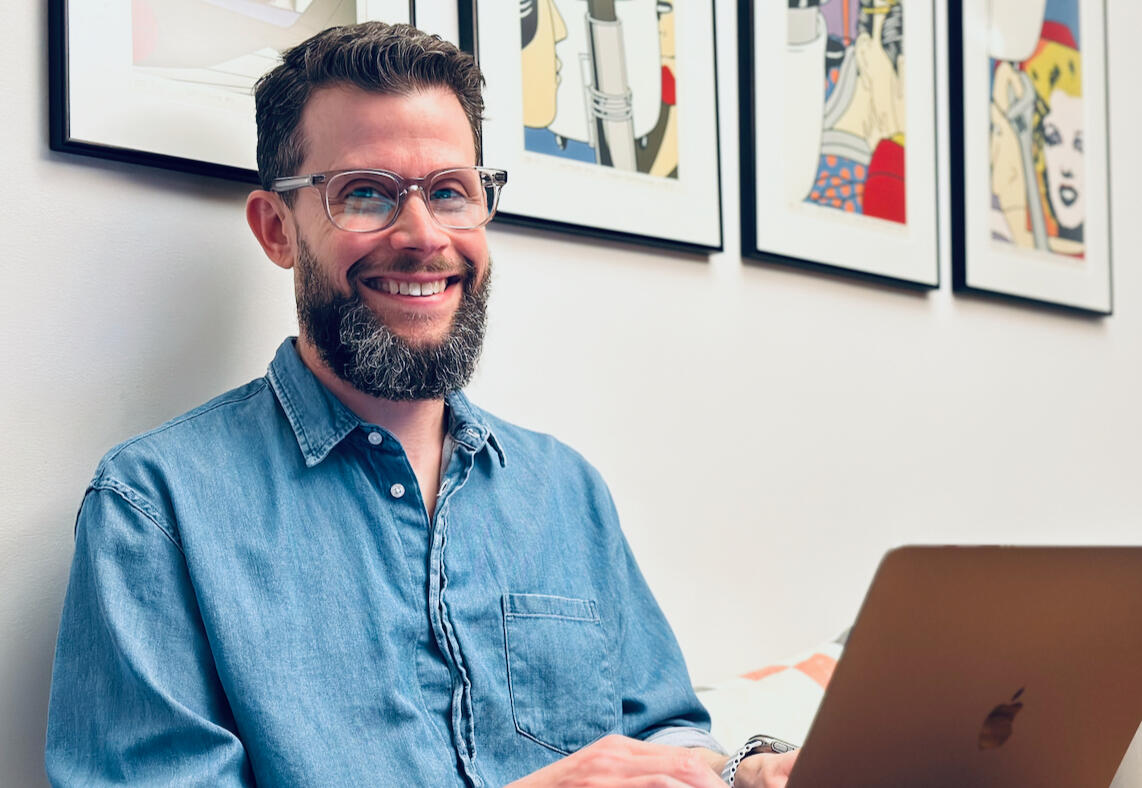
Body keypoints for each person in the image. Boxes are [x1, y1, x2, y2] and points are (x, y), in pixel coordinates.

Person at [45, 21, 797, 787]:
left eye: (449, 192)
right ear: (277, 229)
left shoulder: (566, 492)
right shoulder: (154, 508)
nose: (422, 235)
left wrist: (748, 768)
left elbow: (661, 730)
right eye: (366, 193)